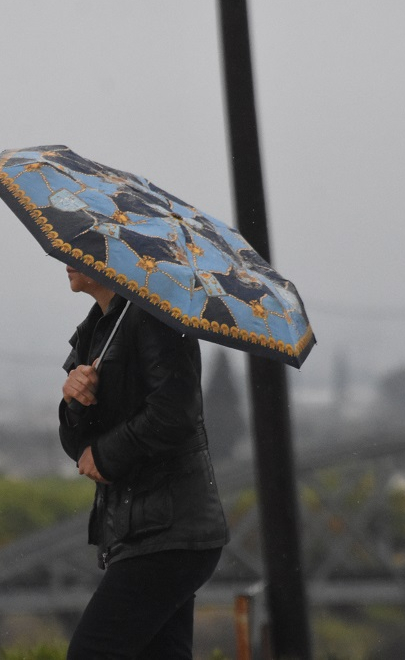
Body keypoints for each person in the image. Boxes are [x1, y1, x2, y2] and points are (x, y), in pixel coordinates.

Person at [59, 265, 230, 659]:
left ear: (110, 257)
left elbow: (174, 413)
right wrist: (74, 401)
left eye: (84, 245)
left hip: (168, 530)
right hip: (144, 532)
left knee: (91, 652)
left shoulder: (153, 315)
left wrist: (104, 455)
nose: (67, 258)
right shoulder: (96, 331)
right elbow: (76, 446)